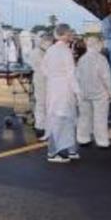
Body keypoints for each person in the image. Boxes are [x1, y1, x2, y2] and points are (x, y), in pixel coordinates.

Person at [42, 24, 80, 163]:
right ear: (64, 35)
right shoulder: (65, 51)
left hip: (53, 87)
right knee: (64, 119)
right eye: (69, 33)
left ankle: (69, 150)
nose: (71, 35)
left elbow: (43, 69)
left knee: (58, 118)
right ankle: (54, 153)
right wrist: (78, 91)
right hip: (64, 88)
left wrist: (54, 77)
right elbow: (71, 73)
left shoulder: (50, 50)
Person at [76, 34, 111, 149]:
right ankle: (102, 142)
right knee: (100, 117)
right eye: (100, 43)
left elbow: (77, 76)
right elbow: (106, 77)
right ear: (97, 44)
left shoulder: (82, 59)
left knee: (84, 116)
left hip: (84, 93)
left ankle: (83, 138)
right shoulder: (101, 59)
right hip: (99, 93)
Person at [25, 31, 53, 138]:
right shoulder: (37, 53)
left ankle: (42, 126)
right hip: (42, 80)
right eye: (48, 41)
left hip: (43, 80)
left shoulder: (43, 52)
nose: (49, 44)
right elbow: (44, 68)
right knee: (42, 104)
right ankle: (40, 127)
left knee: (44, 104)